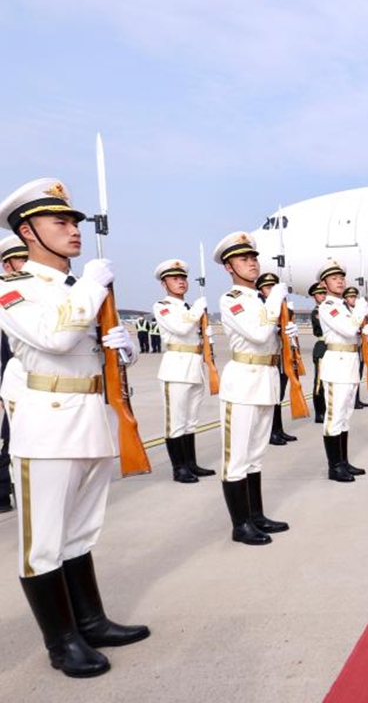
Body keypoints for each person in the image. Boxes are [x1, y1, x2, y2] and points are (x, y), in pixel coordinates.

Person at [0, 178, 150, 677]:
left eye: (75, 221)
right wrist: (91, 286)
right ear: (28, 231)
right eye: (60, 222)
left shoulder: (78, 289)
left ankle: (90, 620)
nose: (73, 230)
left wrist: (121, 346)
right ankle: (61, 643)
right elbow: (56, 337)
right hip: (47, 425)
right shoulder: (14, 289)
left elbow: (92, 350)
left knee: (81, 533)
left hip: (92, 419)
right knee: (43, 540)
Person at [214, 232, 291, 546]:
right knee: (236, 458)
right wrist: (274, 300)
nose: (252, 263)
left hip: (265, 378)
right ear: (229, 267)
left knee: (255, 456)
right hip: (243, 382)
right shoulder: (230, 300)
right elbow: (259, 334)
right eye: (244, 259)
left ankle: (256, 516)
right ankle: (240, 525)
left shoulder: (258, 300)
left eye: (254, 258)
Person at [153, 258, 216, 484]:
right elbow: (180, 328)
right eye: (174, 278)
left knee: (190, 422)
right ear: (164, 284)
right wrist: (199, 310)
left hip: (194, 366)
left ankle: (191, 464)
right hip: (175, 369)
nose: (180, 282)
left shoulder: (188, 307)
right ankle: (178, 469)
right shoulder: (163, 306)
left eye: (182, 278)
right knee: (176, 422)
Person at [316, 262, 368, 482]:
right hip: (336, 364)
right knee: (334, 417)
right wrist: (360, 313)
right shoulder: (329, 306)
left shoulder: (344, 306)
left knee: (345, 417)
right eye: (334, 278)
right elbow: (348, 330)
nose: (340, 281)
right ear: (324, 283)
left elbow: (355, 333)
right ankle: (334, 467)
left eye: (341, 277)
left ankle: (343, 462)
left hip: (349, 362)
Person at [0, 233, 27, 512]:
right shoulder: (6, 295)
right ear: (8, 266)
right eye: (22, 259)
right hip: (14, 378)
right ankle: (3, 491)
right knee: (11, 439)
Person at [256, 273, 297, 447]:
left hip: (281, 356)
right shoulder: (260, 306)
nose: (271, 291)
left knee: (278, 396)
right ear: (261, 290)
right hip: (266, 358)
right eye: (268, 288)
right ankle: (270, 432)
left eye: (274, 288)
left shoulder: (281, 305)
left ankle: (278, 429)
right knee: (271, 398)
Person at [344, 286, 368, 410]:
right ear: (345, 299)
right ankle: (350, 401)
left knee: (358, 375)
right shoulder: (345, 311)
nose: (353, 299)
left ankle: (356, 399)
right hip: (349, 347)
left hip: (360, 346)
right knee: (350, 377)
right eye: (350, 297)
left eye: (354, 297)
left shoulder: (359, 310)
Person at [309, 282, 328, 423]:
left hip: (331, 347)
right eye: (320, 294)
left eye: (324, 293)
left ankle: (327, 409)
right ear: (314, 296)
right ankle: (319, 412)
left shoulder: (327, 310)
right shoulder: (317, 312)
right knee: (319, 383)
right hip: (322, 347)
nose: (323, 296)